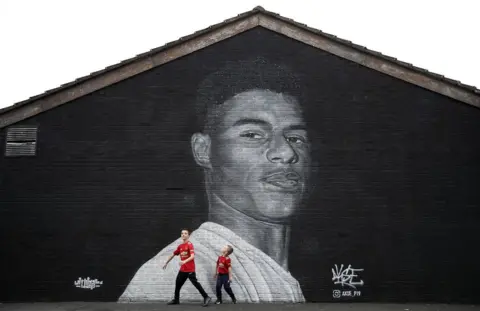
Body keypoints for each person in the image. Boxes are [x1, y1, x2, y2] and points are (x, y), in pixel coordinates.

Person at [119, 57, 312, 303]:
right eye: (253, 134)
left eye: (296, 137)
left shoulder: (282, 277)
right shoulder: (176, 277)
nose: (286, 153)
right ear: (203, 150)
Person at [162, 229, 211, 306]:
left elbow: (192, 256)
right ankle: (176, 300)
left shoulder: (189, 244)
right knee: (178, 284)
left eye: (185, 233)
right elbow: (173, 254)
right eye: (182, 233)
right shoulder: (180, 246)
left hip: (190, 269)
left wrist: (184, 261)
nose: (183, 234)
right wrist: (166, 263)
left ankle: (206, 297)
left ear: (188, 235)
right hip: (183, 270)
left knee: (196, 284)